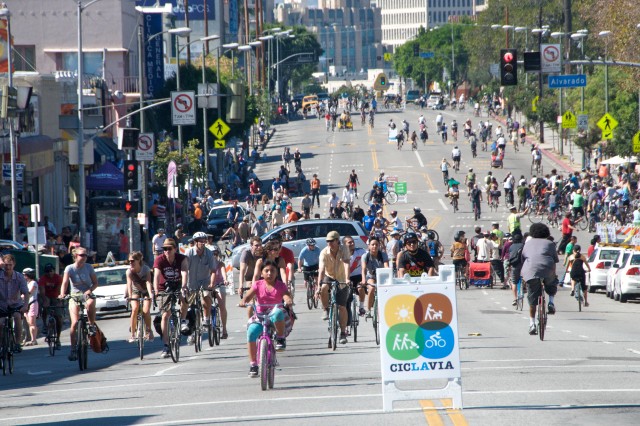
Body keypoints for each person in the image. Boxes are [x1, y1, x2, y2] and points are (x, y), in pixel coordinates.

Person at [240, 259, 293, 377]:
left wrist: (288, 299)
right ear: (262, 273)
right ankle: (253, 365)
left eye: (272, 271)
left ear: (276, 273)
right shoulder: (258, 284)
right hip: (260, 315)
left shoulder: (280, 285)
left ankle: (280, 339)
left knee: (279, 312)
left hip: (275, 316)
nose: (269, 273)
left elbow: (285, 295)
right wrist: (244, 301)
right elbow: (248, 296)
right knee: (251, 333)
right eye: (266, 271)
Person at [59, 247, 100, 361]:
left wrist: (90, 290)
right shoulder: (69, 268)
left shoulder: (89, 267)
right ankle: (73, 349)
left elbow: (96, 283)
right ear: (75, 256)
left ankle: (91, 325)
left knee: (91, 303)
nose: (84, 257)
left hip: (87, 294)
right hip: (74, 296)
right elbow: (65, 283)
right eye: (82, 255)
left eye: (86, 255)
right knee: (74, 323)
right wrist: (62, 294)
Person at [521, 223, 559, 335]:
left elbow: (523, 259)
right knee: (552, 283)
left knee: (532, 299)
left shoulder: (527, 244)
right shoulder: (550, 243)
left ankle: (532, 324)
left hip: (531, 272)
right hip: (548, 270)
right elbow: (555, 260)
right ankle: (551, 302)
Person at [153, 238, 188, 359]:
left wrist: (183, 286)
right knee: (165, 315)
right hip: (164, 288)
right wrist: (156, 290)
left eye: (169, 249)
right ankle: (166, 345)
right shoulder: (159, 259)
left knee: (184, 297)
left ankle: (183, 320)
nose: (166, 251)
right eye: (164, 249)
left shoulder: (181, 258)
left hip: (178, 284)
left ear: (175, 249)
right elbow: (156, 275)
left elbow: (184, 273)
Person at [182, 232, 217, 343]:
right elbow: (184, 270)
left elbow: (213, 271)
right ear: (195, 242)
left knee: (206, 297)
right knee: (190, 308)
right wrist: (184, 284)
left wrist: (211, 283)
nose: (202, 243)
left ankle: (206, 319)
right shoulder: (189, 253)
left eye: (204, 241)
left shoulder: (209, 254)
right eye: (200, 241)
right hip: (191, 282)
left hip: (205, 281)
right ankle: (191, 332)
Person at [317, 231, 351, 344]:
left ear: (337, 241)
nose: (329, 243)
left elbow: (346, 263)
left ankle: (342, 333)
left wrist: (347, 279)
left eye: (331, 241)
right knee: (323, 287)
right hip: (329, 275)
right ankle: (326, 309)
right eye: (327, 241)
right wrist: (318, 285)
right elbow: (321, 270)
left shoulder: (344, 249)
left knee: (342, 307)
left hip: (341, 278)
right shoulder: (324, 252)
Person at [0, 255, 29, 353]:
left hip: (15, 304)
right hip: (2, 305)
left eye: (10, 265)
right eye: (6, 265)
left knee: (17, 316)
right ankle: (1, 344)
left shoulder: (19, 276)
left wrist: (25, 305)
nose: (8, 267)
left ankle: (17, 342)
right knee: (1, 322)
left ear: (14, 264)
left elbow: (25, 292)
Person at [125, 251, 154, 343]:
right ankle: (133, 334)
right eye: (129, 261)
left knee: (145, 311)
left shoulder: (146, 269)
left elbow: (148, 282)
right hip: (135, 290)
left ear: (138, 260)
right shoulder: (129, 271)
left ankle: (149, 331)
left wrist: (150, 294)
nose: (130, 263)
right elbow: (129, 284)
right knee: (135, 309)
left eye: (132, 261)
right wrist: (130, 296)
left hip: (145, 290)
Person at [360, 237, 389, 317]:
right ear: (369, 246)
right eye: (372, 244)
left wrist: (389, 273)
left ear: (379, 245)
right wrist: (363, 280)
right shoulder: (365, 256)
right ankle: (368, 310)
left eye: (376, 244)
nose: (375, 246)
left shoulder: (383, 255)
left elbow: (386, 266)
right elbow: (363, 269)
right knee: (372, 288)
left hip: (382, 277)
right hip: (370, 277)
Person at [38, 263, 63, 350]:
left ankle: (58, 339)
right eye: (47, 271)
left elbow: (60, 290)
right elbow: (42, 291)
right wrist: (45, 299)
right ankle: (45, 324)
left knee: (59, 318)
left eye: (51, 271)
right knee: (44, 306)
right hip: (46, 296)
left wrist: (60, 300)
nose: (49, 273)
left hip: (56, 296)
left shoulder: (58, 277)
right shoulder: (43, 279)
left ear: (53, 270)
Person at [22, 268, 39, 346]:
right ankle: (32, 339)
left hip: (32, 303)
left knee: (32, 322)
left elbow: (29, 293)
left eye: (24, 275)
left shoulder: (33, 283)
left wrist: (20, 297)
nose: (24, 276)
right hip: (26, 304)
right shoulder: (26, 283)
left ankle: (34, 340)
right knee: (29, 323)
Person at [508, 231, 525, 306]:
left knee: (514, 282)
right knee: (525, 277)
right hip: (523, 265)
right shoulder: (524, 245)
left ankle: (515, 299)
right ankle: (524, 287)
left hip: (514, 265)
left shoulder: (511, 246)